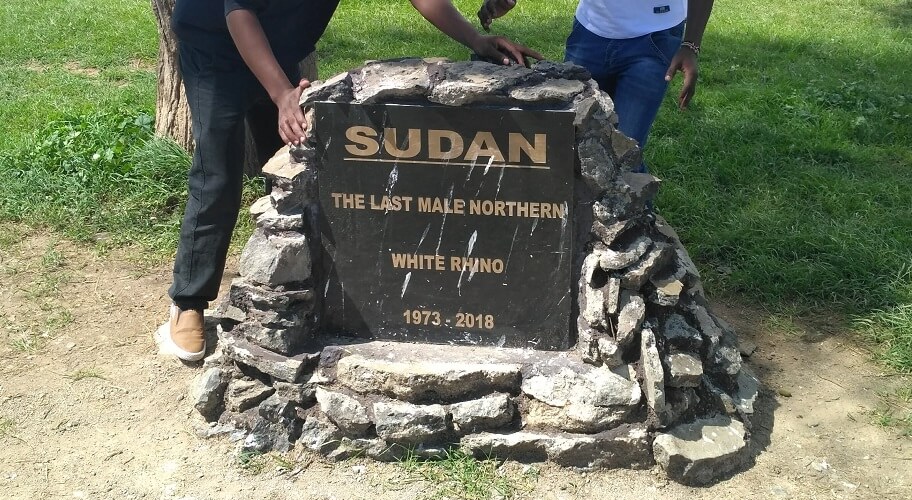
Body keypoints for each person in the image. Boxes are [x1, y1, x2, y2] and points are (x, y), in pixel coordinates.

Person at [156, 0, 543, 362]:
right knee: (217, 172)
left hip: (276, 48)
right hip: (216, 47)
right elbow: (239, 12)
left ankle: (283, 281)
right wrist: (281, 95)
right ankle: (189, 301)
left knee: (293, 176)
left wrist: (476, 39)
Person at [478, 0, 713, 173]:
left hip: (654, 39)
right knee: (572, 143)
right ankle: (578, 232)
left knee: (623, 152)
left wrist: (691, 45)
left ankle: (640, 235)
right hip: (590, 35)